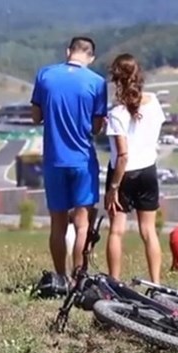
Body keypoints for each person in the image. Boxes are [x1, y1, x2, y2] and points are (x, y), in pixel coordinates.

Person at [30, 37, 107, 281]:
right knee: (82, 224)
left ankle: (60, 277)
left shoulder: (45, 75)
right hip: (82, 160)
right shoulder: (97, 82)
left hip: (54, 159)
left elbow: (35, 117)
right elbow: (96, 127)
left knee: (58, 223)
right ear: (91, 57)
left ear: (68, 52)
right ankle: (78, 278)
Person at [104, 53, 164, 284]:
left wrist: (113, 187)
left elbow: (123, 155)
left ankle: (114, 282)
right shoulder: (154, 102)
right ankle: (156, 282)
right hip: (148, 169)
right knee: (148, 231)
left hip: (123, 174)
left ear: (116, 79)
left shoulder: (116, 114)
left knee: (116, 230)